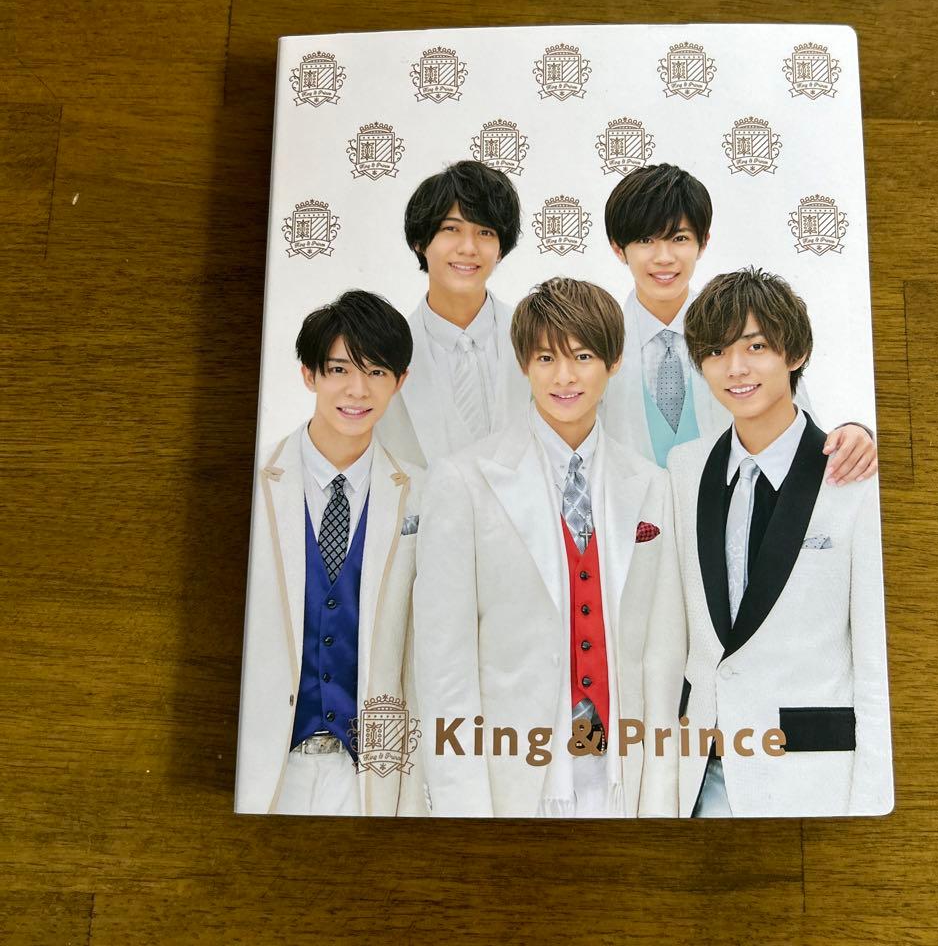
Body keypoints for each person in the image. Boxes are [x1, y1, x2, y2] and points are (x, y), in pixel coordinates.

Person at [413, 278, 685, 817]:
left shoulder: (652, 484)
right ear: (524, 364)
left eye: (582, 356)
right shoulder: (463, 481)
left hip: (621, 779)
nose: (564, 377)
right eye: (545, 358)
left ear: (614, 362)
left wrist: (658, 799)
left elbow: (662, 656)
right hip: (515, 781)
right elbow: (444, 666)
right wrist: (464, 807)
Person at [668, 268, 892, 817]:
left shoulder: (853, 478)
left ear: (795, 353)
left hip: (813, 775)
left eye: (756, 347)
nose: (735, 368)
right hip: (699, 774)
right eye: (716, 351)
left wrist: (871, 799)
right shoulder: (684, 469)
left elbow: (874, 661)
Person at [236, 291, 425, 815]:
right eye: (339, 369)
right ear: (308, 374)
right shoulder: (252, 483)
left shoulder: (424, 496)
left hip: (368, 774)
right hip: (266, 764)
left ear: (400, 381)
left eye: (377, 372)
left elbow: (422, 658)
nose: (357, 390)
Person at [602, 163, 878, 477]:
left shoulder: (752, 325)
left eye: (679, 238)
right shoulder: (595, 343)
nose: (664, 257)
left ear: (703, 243)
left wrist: (855, 434)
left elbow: (798, 424)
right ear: (618, 248)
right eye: (645, 241)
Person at [376, 160, 531, 467]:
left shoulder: (538, 337)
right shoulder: (381, 354)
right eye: (451, 229)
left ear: (501, 249)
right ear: (420, 242)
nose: (468, 248)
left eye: (485, 232)